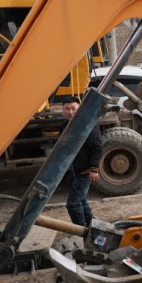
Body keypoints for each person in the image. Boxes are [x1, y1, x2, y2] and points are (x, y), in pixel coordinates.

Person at [61, 96, 102, 226]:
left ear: (80, 109)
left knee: (72, 204)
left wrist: (94, 169)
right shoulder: (65, 126)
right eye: (67, 109)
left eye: (73, 109)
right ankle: (91, 225)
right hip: (73, 171)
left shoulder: (88, 124)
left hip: (85, 171)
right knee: (81, 201)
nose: (70, 112)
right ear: (62, 110)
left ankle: (80, 231)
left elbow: (97, 148)